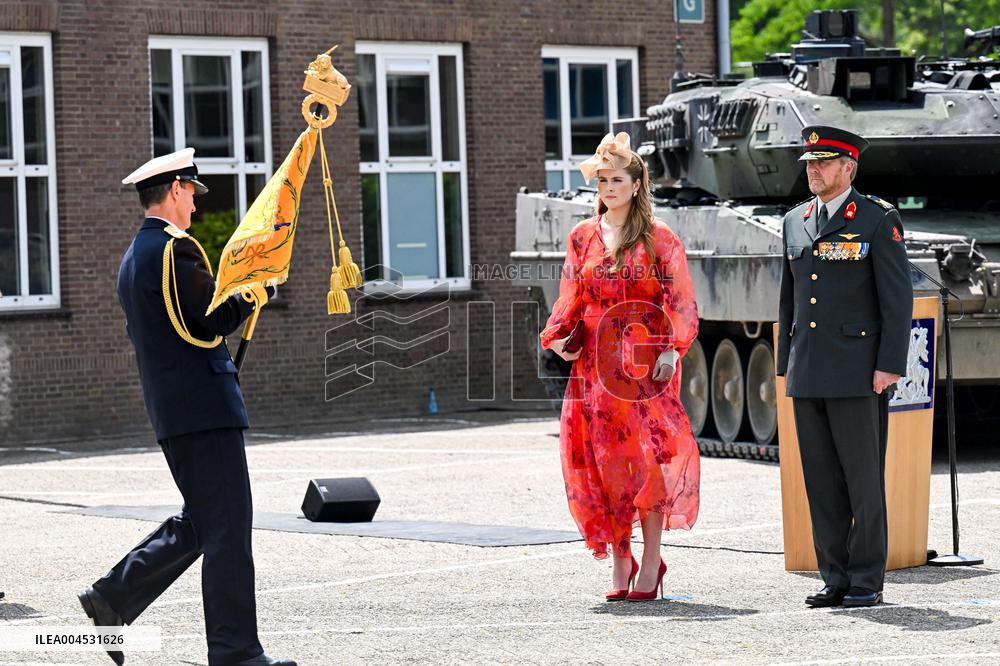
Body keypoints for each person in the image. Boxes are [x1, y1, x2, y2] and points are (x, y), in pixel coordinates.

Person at [77, 148, 294, 666]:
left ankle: (114, 597)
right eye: (192, 194)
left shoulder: (135, 255)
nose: (195, 205)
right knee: (228, 533)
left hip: (179, 412)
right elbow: (207, 321)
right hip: (203, 410)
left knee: (204, 522)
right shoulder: (174, 249)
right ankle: (235, 652)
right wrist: (256, 291)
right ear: (175, 189)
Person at [540, 132, 700, 602]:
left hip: (645, 364)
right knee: (603, 463)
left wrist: (672, 348)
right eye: (603, 180)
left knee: (646, 461)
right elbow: (571, 296)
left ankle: (651, 558)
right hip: (593, 365)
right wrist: (559, 338)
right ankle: (620, 558)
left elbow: (681, 300)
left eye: (617, 180)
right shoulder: (582, 237)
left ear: (635, 185)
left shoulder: (660, 238)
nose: (608, 187)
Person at [776, 125, 913, 608]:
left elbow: (897, 301)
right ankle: (833, 576)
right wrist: (784, 366)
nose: (814, 171)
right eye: (809, 164)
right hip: (809, 369)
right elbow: (789, 300)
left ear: (848, 167)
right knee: (821, 480)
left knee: (862, 480)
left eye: (824, 163)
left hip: (859, 371)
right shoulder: (795, 221)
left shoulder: (877, 219)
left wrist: (889, 365)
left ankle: (866, 580)